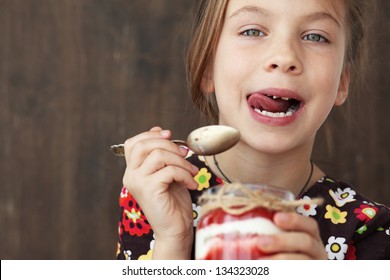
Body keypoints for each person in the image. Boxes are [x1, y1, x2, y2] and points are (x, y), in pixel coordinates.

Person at [116, 0, 390, 260]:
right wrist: (172, 242)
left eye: (315, 36)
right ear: (208, 67)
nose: (284, 58)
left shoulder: (369, 231)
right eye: (252, 31)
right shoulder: (159, 190)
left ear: (342, 81)